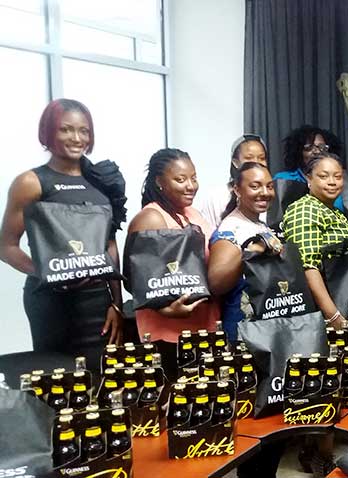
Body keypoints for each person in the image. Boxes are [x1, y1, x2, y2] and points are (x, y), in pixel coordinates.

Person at [0, 98, 127, 368]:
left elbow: (110, 245)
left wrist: (116, 303)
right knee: (58, 377)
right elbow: (6, 246)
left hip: (97, 300)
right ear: (48, 132)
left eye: (84, 131)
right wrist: (46, 272)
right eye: (66, 129)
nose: (76, 138)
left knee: (102, 375)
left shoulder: (101, 181)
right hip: (50, 301)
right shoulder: (30, 182)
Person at [126, 149, 220, 372]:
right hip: (168, 334)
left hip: (204, 326)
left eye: (194, 178)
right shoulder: (151, 217)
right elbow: (133, 280)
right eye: (180, 179)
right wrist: (165, 310)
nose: (191, 186)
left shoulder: (193, 213)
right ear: (159, 182)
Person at [281, 153, 348, 330]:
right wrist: (333, 316)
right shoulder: (304, 210)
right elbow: (307, 266)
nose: (332, 182)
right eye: (323, 176)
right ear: (309, 179)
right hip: (322, 312)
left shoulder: (334, 211)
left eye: (337, 176)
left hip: (347, 302)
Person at [207, 162, 277, 341]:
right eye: (255, 186)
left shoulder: (259, 224)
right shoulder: (230, 229)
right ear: (237, 190)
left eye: (269, 186)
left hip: (266, 324)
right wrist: (252, 251)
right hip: (243, 330)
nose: (265, 192)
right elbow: (217, 284)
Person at [197, 134, 268, 228]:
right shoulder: (216, 197)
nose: (256, 163)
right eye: (249, 158)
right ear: (235, 162)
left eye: (262, 158)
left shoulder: (269, 195)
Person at [273, 125, 345, 210]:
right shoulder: (283, 180)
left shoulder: (337, 181)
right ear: (298, 151)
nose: (316, 151)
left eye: (321, 147)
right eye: (309, 148)